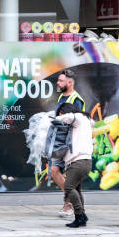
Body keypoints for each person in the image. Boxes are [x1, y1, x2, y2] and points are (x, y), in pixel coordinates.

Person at [51, 69, 86, 217]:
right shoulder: (61, 97)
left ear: (69, 82)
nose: (58, 83)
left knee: (58, 172)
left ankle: (70, 203)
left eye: (61, 80)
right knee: (58, 173)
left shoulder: (76, 99)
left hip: (70, 142)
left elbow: (78, 121)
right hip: (59, 140)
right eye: (58, 80)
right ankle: (74, 205)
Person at [55, 103, 94, 228]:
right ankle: (81, 218)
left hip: (79, 162)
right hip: (84, 162)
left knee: (68, 187)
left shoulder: (78, 118)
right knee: (76, 189)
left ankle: (80, 215)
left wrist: (56, 118)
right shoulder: (86, 121)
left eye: (62, 114)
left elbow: (69, 117)